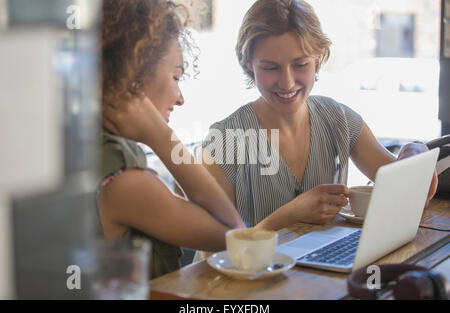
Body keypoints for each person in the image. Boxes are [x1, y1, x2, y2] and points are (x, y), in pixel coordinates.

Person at [201, 0, 438, 231]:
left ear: (318, 58)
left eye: (300, 64)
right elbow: (213, 252)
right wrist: (289, 215)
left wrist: (416, 150)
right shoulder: (224, 141)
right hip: (251, 272)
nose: (287, 82)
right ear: (248, 63)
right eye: (270, 67)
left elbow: (409, 194)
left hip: (317, 272)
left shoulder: (340, 120)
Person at [99, 0, 245, 279]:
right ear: (134, 77)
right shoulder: (124, 183)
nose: (180, 98)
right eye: (176, 77)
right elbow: (234, 235)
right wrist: (162, 137)